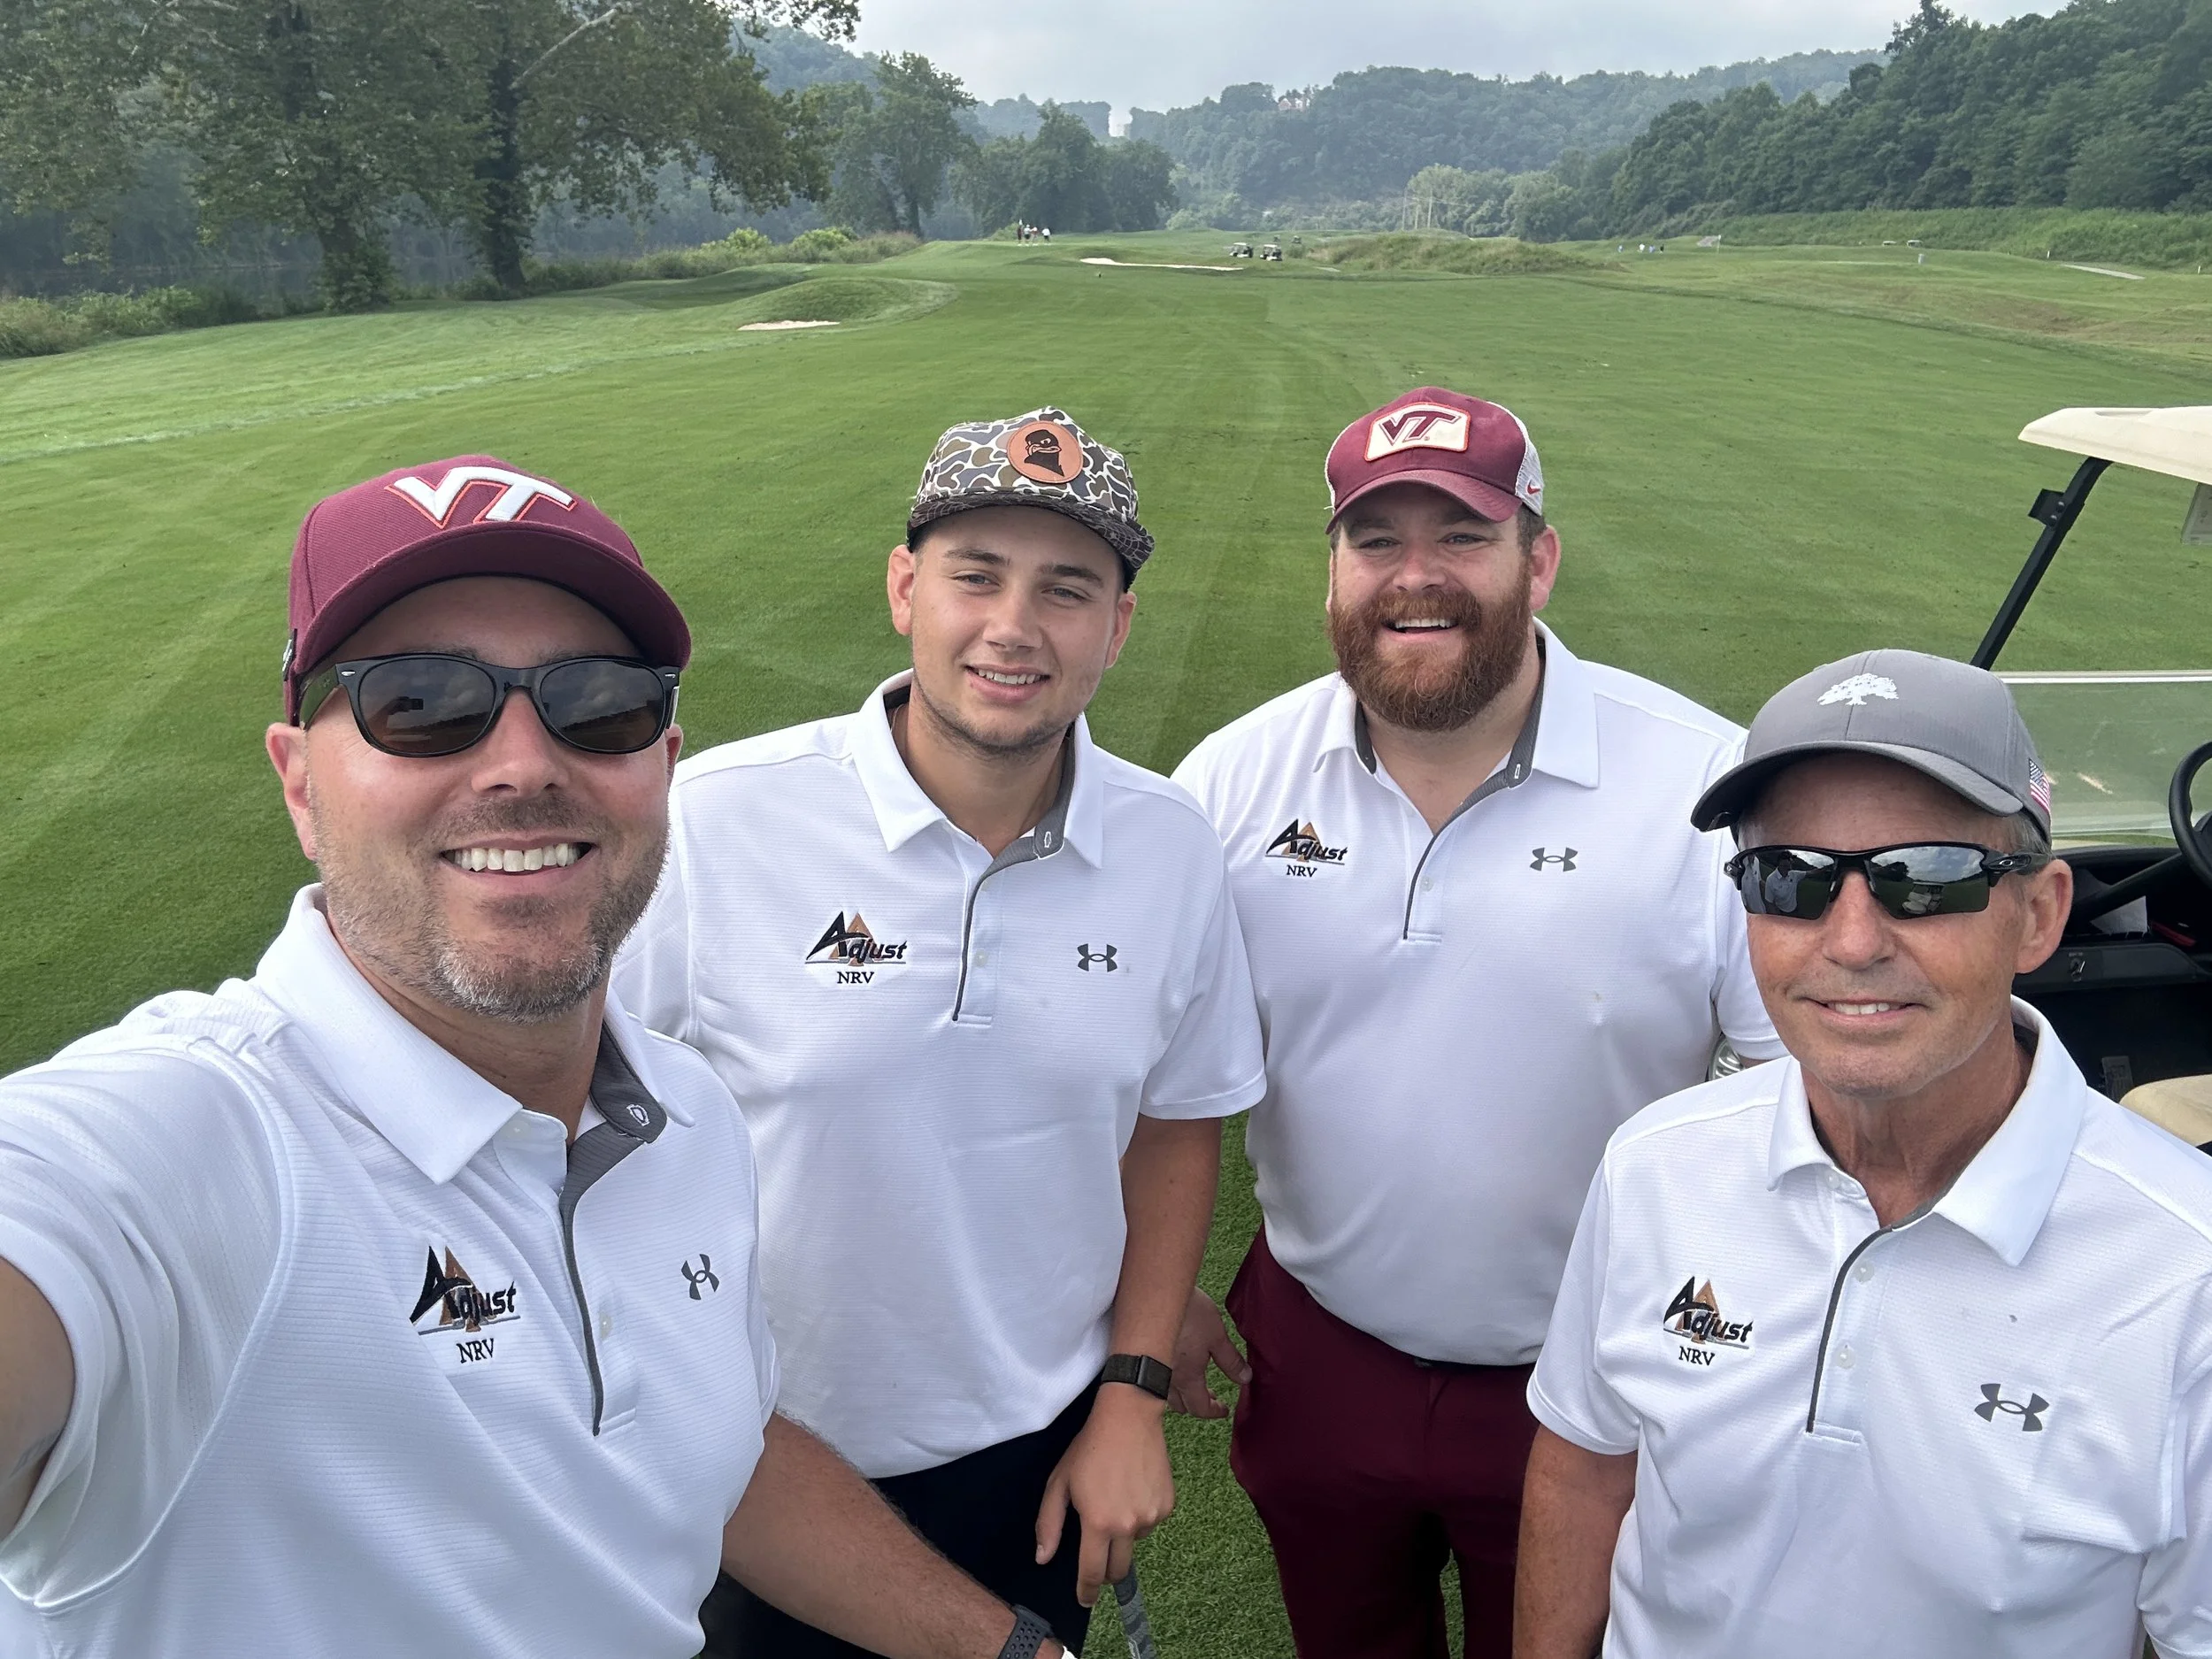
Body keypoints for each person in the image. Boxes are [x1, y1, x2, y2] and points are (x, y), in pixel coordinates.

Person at [0, 457, 1071, 1659]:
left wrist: (1012, 1649)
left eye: (596, 701)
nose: (524, 763)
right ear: (300, 784)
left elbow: (711, 1445)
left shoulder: (684, 1113)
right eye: (420, 701)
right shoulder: (184, 1149)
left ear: (662, 763)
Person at [616, 408, 1266, 1656]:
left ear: (1118, 627)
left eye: (1067, 589)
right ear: (905, 589)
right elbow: (574, 1117)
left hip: (1038, 1453)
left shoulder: (1169, 844)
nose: (1015, 626)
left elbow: (1176, 1123)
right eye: (977, 575)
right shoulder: (715, 821)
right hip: (756, 1457)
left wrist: (1130, 1394)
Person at [1170, 387, 1783, 1658]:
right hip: (1319, 1346)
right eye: (1375, 540)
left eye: (1462, 536)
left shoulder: (1702, 785)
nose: (1416, 577)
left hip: (1594, 1378)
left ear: (1538, 561)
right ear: (1333, 570)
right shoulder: (1231, 780)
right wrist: (1151, 1295)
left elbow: (1799, 1095)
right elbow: (1141, 1065)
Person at [1519, 649, 2212, 1658]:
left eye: (1925, 877)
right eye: (1789, 879)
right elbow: (1584, 1466)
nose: (1851, 942)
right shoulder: (1654, 1165)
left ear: (2039, 914)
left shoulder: (2187, 1272)